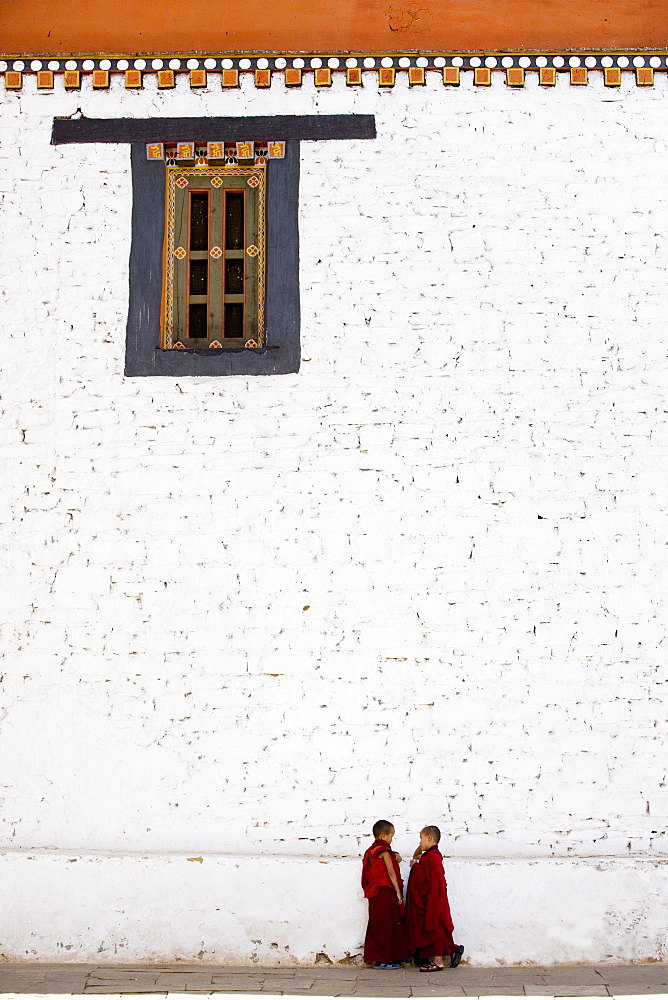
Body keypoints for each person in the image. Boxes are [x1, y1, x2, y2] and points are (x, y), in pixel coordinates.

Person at [405, 825, 464, 972]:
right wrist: (417, 862)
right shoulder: (430, 855)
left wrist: (415, 868)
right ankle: (450, 951)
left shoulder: (432, 858)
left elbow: (432, 879)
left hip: (433, 898)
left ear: (429, 838)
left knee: (435, 926)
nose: (419, 842)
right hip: (432, 897)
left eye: (421, 838)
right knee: (434, 927)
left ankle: (438, 961)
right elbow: (416, 856)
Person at [361, 819, 409, 969]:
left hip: (374, 893)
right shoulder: (383, 850)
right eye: (391, 836)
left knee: (377, 924)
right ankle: (386, 960)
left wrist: (395, 854)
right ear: (383, 836)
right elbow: (390, 872)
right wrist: (398, 892)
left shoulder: (371, 851)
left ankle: (378, 959)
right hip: (385, 891)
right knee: (388, 925)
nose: (391, 839)